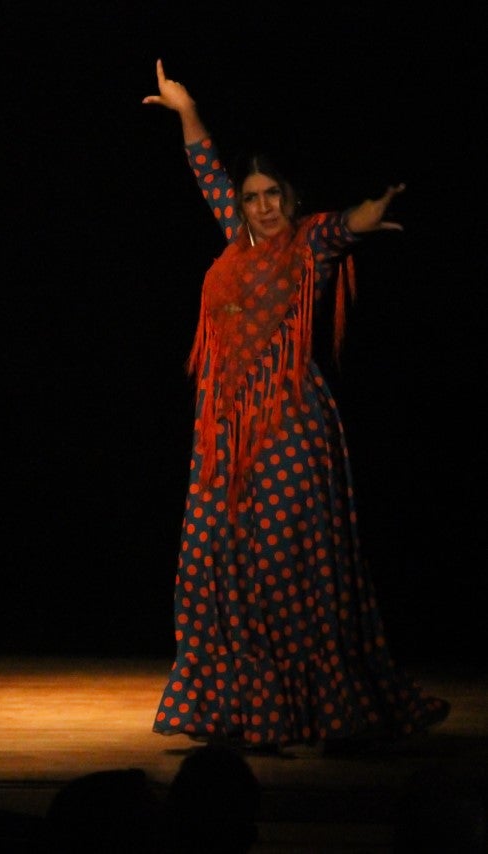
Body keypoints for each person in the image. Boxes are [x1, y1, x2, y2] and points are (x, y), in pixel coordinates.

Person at [141, 60, 450, 751]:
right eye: (252, 197)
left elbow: (342, 226)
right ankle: (240, 707)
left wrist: (367, 216)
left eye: (272, 193)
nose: (261, 206)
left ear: (289, 196)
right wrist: (187, 111)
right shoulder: (235, 240)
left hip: (288, 423)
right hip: (222, 432)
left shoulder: (307, 244)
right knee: (216, 559)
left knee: (285, 563)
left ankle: (321, 706)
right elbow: (207, 172)